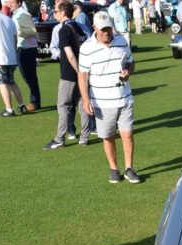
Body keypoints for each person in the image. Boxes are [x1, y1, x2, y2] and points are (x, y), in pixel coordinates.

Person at [79, 11, 141, 184]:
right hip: (102, 101)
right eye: (103, 29)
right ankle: (114, 169)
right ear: (94, 28)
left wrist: (128, 71)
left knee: (127, 134)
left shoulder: (122, 42)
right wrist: (85, 100)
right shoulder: (86, 48)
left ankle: (129, 168)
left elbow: (131, 61)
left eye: (109, 29)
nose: (107, 32)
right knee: (108, 137)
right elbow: (83, 76)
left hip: (124, 97)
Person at [44, 1, 91, 150]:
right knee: (82, 104)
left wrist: (78, 73)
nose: (55, 14)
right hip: (83, 71)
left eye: (56, 12)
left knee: (63, 105)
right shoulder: (80, 27)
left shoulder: (63, 30)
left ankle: (59, 138)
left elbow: (70, 55)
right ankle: (84, 137)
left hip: (70, 74)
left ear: (63, 12)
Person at [9, 0, 41, 111]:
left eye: (12, 2)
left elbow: (33, 30)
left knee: (30, 77)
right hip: (22, 48)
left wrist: (18, 32)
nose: (10, 4)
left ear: (18, 3)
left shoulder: (23, 14)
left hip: (27, 48)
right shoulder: (17, 14)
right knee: (28, 77)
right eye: (9, 2)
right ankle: (35, 101)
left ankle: (34, 102)